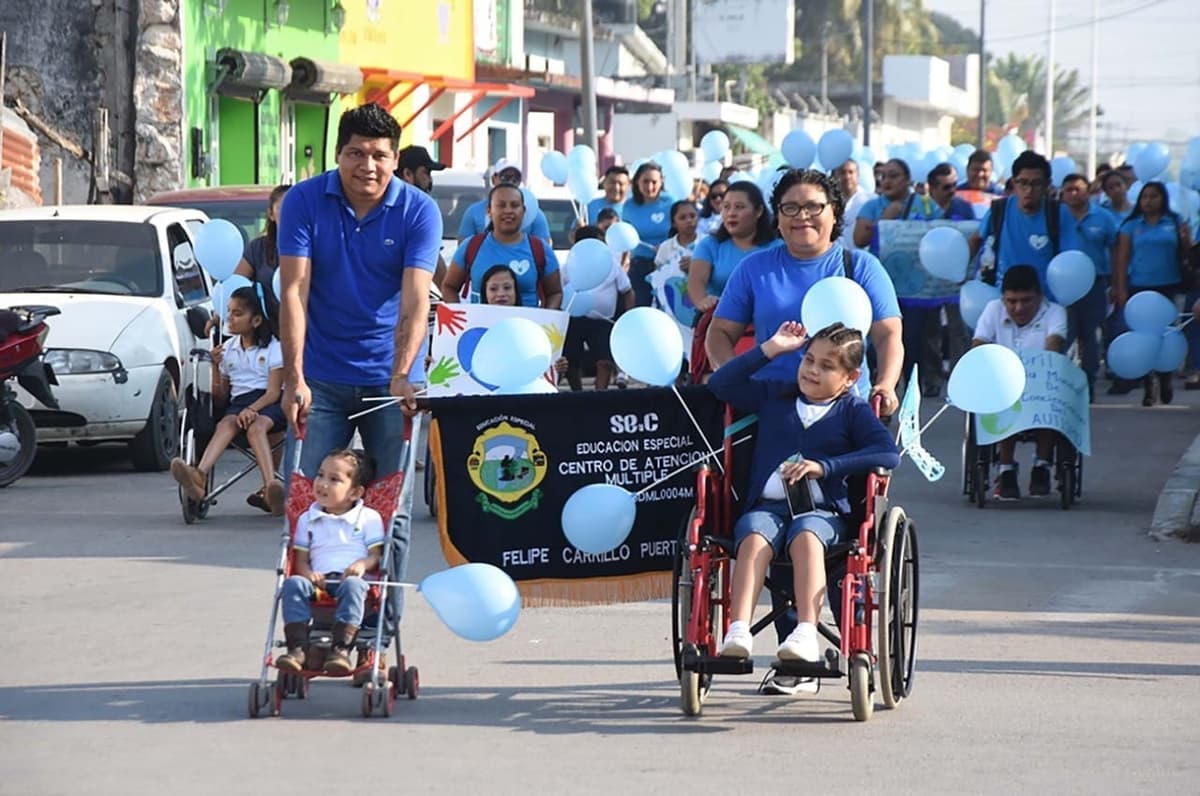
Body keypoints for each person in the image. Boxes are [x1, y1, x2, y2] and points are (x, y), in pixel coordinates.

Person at [277, 103, 441, 671]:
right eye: (355, 153)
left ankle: (370, 641)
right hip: (319, 377)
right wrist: (293, 377)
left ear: (395, 160)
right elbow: (294, 290)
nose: (366, 165)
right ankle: (305, 637)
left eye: (379, 156)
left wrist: (402, 372)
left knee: (386, 515)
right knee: (308, 507)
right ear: (338, 155)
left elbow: (417, 298)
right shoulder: (304, 201)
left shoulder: (417, 211)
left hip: (386, 384)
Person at [709, 321, 899, 663]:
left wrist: (824, 466)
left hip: (822, 514)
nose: (812, 370)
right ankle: (738, 629)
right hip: (767, 507)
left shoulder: (852, 411)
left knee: (807, 536)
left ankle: (806, 633)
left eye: (827, 366)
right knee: (753, 535)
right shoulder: (776, 396)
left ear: (850, 378)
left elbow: (887, 453)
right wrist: (773, 346)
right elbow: (722, 383)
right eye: (808, 359)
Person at [707, 168, 903, 415]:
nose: (802, 216)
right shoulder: (753, 268)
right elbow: (719, 333)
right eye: (790, 208)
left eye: (814, 206)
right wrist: (734, 381)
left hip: (844, 409)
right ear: (777, 217)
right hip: (772, 408)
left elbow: (888, 336)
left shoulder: (862, 267)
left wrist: (885, 384)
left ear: (835, 213)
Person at [170, 286, 286, 515]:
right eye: (229, 311)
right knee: (225, 423)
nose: (230, 318)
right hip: (238, 402)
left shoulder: (274, 348)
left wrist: (253, 410)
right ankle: (199, 476)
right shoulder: (228, 349)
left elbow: (273, 392)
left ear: (255, 320)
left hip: (268, 403)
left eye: (237, 313)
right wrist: (215, 366)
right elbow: (221, 396)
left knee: (256, 427)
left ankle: (270, 487)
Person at [275, 449, 384, 676]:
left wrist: (363, 564)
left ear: (355, 492)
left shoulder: (368, 518)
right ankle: (297, 648)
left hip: (353, 582)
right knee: (292, 583)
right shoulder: (307, 518)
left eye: (334, 479)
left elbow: (376, 555)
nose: (322, 484)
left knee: (353, 586)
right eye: (321, 475)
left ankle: (341, 649)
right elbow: (301, 560)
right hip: (319, 583)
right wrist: (307, 574)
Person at [971, 265, 1067, 500]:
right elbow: (979, 344)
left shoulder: (1054, 312)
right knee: (1006, 399)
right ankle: (1006, 470)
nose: (1019, 308)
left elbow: (1054, 344)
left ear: (1039, 297)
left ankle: (1042, 465)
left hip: (1041, 384)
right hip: (1003, 385)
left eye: (1026, 300)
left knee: (1048, 399)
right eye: (1012, 301)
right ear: (1003, 299)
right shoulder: (993, 309)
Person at [1111, 180, 1193, 406]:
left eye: (1153, 196)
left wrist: (1186, 239)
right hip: (1140, 287)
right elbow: (1122, 259)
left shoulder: (1174, 221)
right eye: (1144, 197)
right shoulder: (1131, 225)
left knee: (1167, 334)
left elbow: (1189, 253)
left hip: (1170, 286)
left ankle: (1165, 378)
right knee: (1144, 336)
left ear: (1162, 199)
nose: (1148, 201)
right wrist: (1120, 288)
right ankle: (1149, 385)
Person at [900, 163, 978, 398]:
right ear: (932, 188)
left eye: (954, 185)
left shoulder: (964, 207)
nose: (952, 190)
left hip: (955, 281)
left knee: (958, 330)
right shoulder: (917, 208)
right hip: (927, 283)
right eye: (946, 186)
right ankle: (932, 379)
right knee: (930, 332)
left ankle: (960, 380)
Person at [968, 150, 1073, 297]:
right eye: (1023, 183)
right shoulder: (1000, 209)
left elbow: (1069, 258)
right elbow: (975, 239)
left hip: (1046, 302)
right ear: (1013, 182)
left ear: (1047, 185)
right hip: (1004, 300)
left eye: (1036, 184)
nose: (1029, 190)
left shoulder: (1059, 213)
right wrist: (961, 271)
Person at [442, 183, 564, 308]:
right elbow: (449, 287)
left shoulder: (540, 249)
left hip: (526, 325)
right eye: (501, 205)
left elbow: (555, 293)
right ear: (489, 211)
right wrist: (460, 317)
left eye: (514, 205)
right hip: (481, 326)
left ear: (523, 211)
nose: (508, 210)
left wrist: (545, 322)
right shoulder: (472, 246)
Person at [1059, 173, 1118, 400]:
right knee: (1064, 334)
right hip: (1062, 284)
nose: (1074, 194)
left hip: (1095, 284)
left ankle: (1089, 383)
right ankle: (1063, 384)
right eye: (1069, 190)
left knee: (1090, 336)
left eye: (1078, 189)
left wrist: (1116, 282)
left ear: (1088, 191)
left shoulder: (1103, 217)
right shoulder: (1056, 216)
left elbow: (1116, 248)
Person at [562, 226, 634, 391]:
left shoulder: (612, 264)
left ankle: (599, 393)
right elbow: (559, 290)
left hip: (603, 319)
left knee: (605, 359)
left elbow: (628, 291)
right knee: (571, 359)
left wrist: (627, 316)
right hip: (575, 319)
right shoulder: (569, 266)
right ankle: (577, 393)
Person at [688, 181, 776, 314]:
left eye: (739, 207)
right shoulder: (710, 245)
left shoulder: (777, 247)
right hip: (719, 321)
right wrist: (703, 301)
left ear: (758, 211)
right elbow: (696, 281)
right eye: (726, 207)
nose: (731, 213)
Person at [227, 184, 290, 337]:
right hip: (268, 338)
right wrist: (218, 316)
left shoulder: (315, 246)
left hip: (308, 336)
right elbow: (236, 287)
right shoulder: (258, 248)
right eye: (283, 208)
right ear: (271, 214)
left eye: (296, 208)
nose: (290, 214)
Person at [457, 159, 552, 245]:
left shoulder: (535, 214)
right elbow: (464, 250)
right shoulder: (474, 212)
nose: (510, 182)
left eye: (515, 178)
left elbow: (544, 251)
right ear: (494, 179)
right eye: (505, 177)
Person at [622, 161, 675, 307]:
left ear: (661, 182)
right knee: (641, 306)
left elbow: (680, 230)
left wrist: (666, 247)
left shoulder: (670, 202)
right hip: (640, 264)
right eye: (645, 181)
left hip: (668, 263)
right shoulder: (629, 206)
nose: (650, 186)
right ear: (637, 182)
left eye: (654, 182)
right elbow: (625, 236)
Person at [654, 200, 700, 276]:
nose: (689, 220)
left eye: (692, 216)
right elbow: (658, 276)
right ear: (674, 223)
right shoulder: (665, 247)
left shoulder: (707, 243)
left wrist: (697, 266)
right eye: (682, 218)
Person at [834, 160, 871, 250]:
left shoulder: (870, 200)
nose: (847, 177)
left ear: (858, 175)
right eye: (842, 172)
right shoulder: (828, 201)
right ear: (835, 176)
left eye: (851, 172)